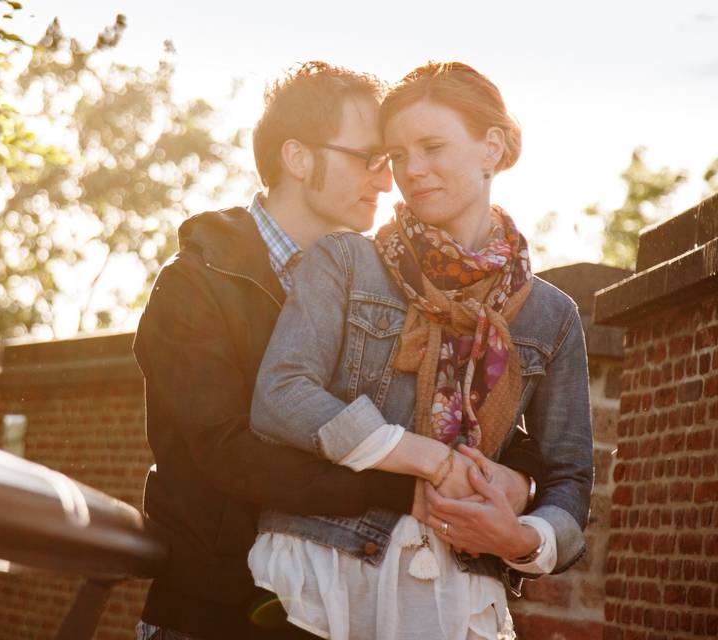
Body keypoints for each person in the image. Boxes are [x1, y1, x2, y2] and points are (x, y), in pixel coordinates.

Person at [133, 61, 544, 640]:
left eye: (391, 162)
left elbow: (469, 414)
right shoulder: (197, 283)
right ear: (299, 158)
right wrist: (404, 486)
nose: (388, 180)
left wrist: (515, 479)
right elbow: (223, 452)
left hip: (338, 618)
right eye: (370, 159)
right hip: (213, 610)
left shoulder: (386, 284)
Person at [249, 61, 593, 640]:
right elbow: (280, 397)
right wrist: (431, 458)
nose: (412, 171)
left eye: (432, 146)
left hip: (458, 599)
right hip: (322, 580)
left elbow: (570, 482)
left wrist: (520, 539)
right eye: (397, 154)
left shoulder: (551, 316)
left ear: (492, 148)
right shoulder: (346, 261)